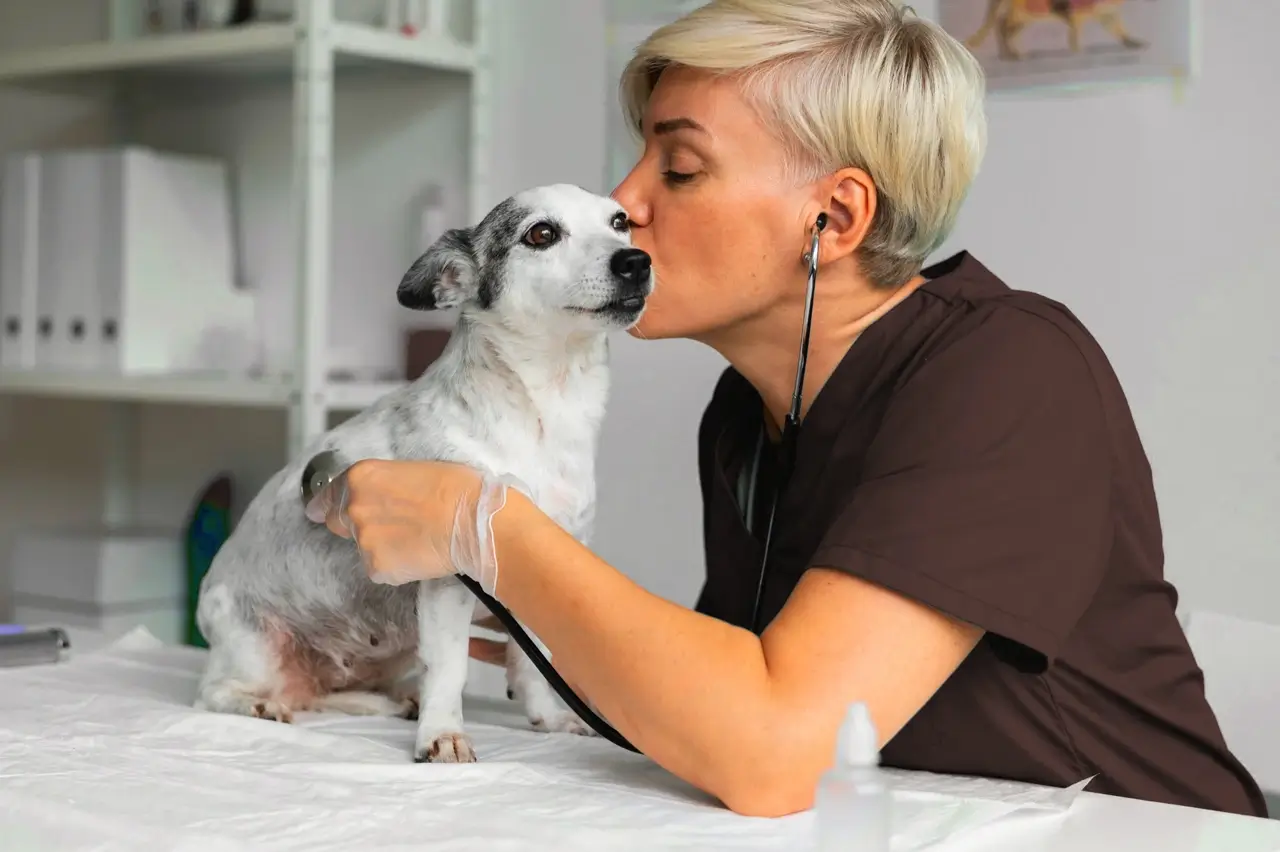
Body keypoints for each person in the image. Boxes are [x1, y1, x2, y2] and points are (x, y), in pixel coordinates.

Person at [307, 0, 1266, 820]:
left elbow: (773, 752)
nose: (625, 201)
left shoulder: (1009, 371)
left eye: (679, 168)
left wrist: (483, 526)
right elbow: (720, 708)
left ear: (834, 219)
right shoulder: (746, 415)